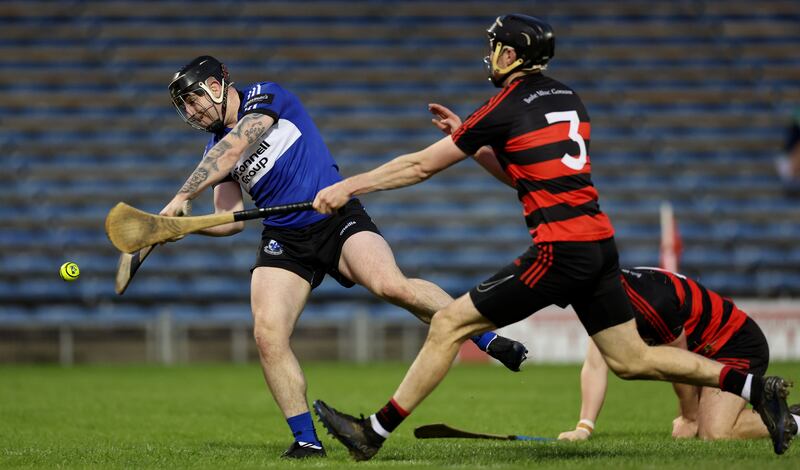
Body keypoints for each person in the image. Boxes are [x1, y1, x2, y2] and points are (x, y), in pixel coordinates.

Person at [309, 14, 796, 460]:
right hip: (599, 244)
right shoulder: (568, 98)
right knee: (631, 359)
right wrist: (471, 139)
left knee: (449, 323)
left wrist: (347, 186)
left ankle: (371, 433)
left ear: (512, 55)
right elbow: (527, 174)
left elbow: (418, 166)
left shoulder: (502, 105)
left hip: (560, 249)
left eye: (497, 46)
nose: (491, 54)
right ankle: (756, 390)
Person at [159, 55, 529, 459]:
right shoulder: (215, 148)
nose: (192, 112)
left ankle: (487, 338)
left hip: (334, 217)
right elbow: (229, 221)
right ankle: (306, 441)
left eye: (193, 100)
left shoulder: (265, 97)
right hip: (284, 238)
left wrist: (181, 196)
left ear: (216, 86)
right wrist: (184, 227)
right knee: (268, 335)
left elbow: (236, 149)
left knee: (393, 286)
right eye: (186, 107)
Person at [558, 267, 800, 442]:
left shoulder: (651, 303)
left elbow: (681, 363)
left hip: (736, 345)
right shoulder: (606, 298)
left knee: (714, 433)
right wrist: (584, 427)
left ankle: (796, 421)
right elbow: (595, 365)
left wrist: (689, 417)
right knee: (705, 428)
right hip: (706, 353)